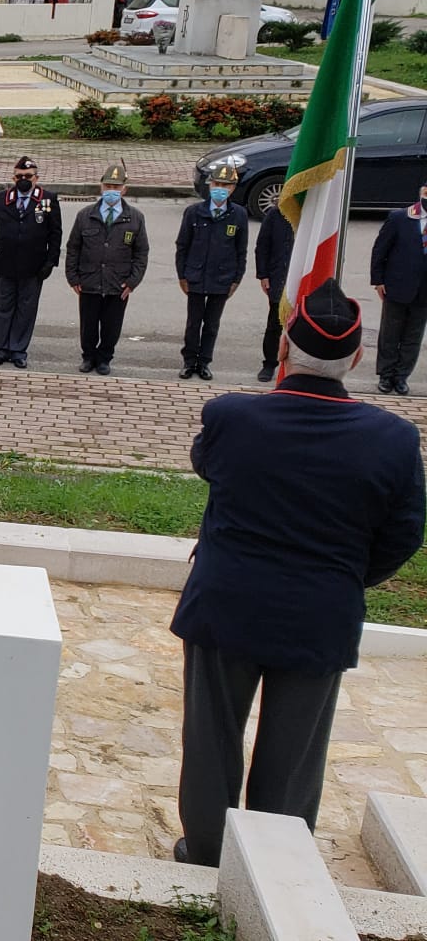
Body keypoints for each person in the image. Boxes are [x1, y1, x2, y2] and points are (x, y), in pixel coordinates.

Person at [169, 279, 425, 868]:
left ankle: (207, 850)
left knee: (212, 737)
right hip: (321, 610)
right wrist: (345, 578)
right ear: (357, 357)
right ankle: (274, 859)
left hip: (228, 600)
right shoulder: (393, 439)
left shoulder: (232, 417)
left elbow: (209, 466)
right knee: (295, 749)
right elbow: (404, 534)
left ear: (284, 345)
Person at [66, 163, 150, 376]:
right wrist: (73, 277)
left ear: (124, 189)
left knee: (112, 326)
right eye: (107, 186)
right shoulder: (86, 215)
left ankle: (104, 358)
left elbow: (141, 253)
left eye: (116, 186)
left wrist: (132, 281)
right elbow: (73, 247)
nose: (111, 190)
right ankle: (88, 357)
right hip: (89, 280)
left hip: (118, 283)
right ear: (100, 187)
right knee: (88, 324)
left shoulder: (135, 218)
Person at [0, 156, 63, 369]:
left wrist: (50, 262)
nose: (23, 179)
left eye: (28, 176)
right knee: (2, 308)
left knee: (26, 309)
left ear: (36, 178)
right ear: (13, 177)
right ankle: (0, 349)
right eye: (19, 176)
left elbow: (55, 234)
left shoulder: (47, 199)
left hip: (33, 267)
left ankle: (18, 350)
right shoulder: (2, 198)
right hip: (4, 264)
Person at [174, 166, 250, 381]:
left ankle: (204, 361)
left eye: (225, 186)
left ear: (233, 189)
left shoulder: (239, 215)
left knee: (212, 324)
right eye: (217, 184)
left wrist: (236, 279)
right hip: (196, 276)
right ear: (210, 185)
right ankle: (189, 361)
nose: (220, 189)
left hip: (222, 278)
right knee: (193, 322)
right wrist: (182, 275)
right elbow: (182, 246)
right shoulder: (194, 212)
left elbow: (241, 250)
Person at [370, 180, 427, 396]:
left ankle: (402, 376)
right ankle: (386, 375)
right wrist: (378, 280)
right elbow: (380, 249)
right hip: (397, 285)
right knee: (390, 334)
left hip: (424, 291)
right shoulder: (400, 218)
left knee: (413, 335)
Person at [255, 205, 295, 383]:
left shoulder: (311, 213)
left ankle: (296, 367)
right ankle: (269, 363)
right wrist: (263, 274)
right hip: (278, 278)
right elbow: (262, 246)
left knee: (300, 327)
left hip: (300, 279)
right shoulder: (275, 214)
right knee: (274, 325)